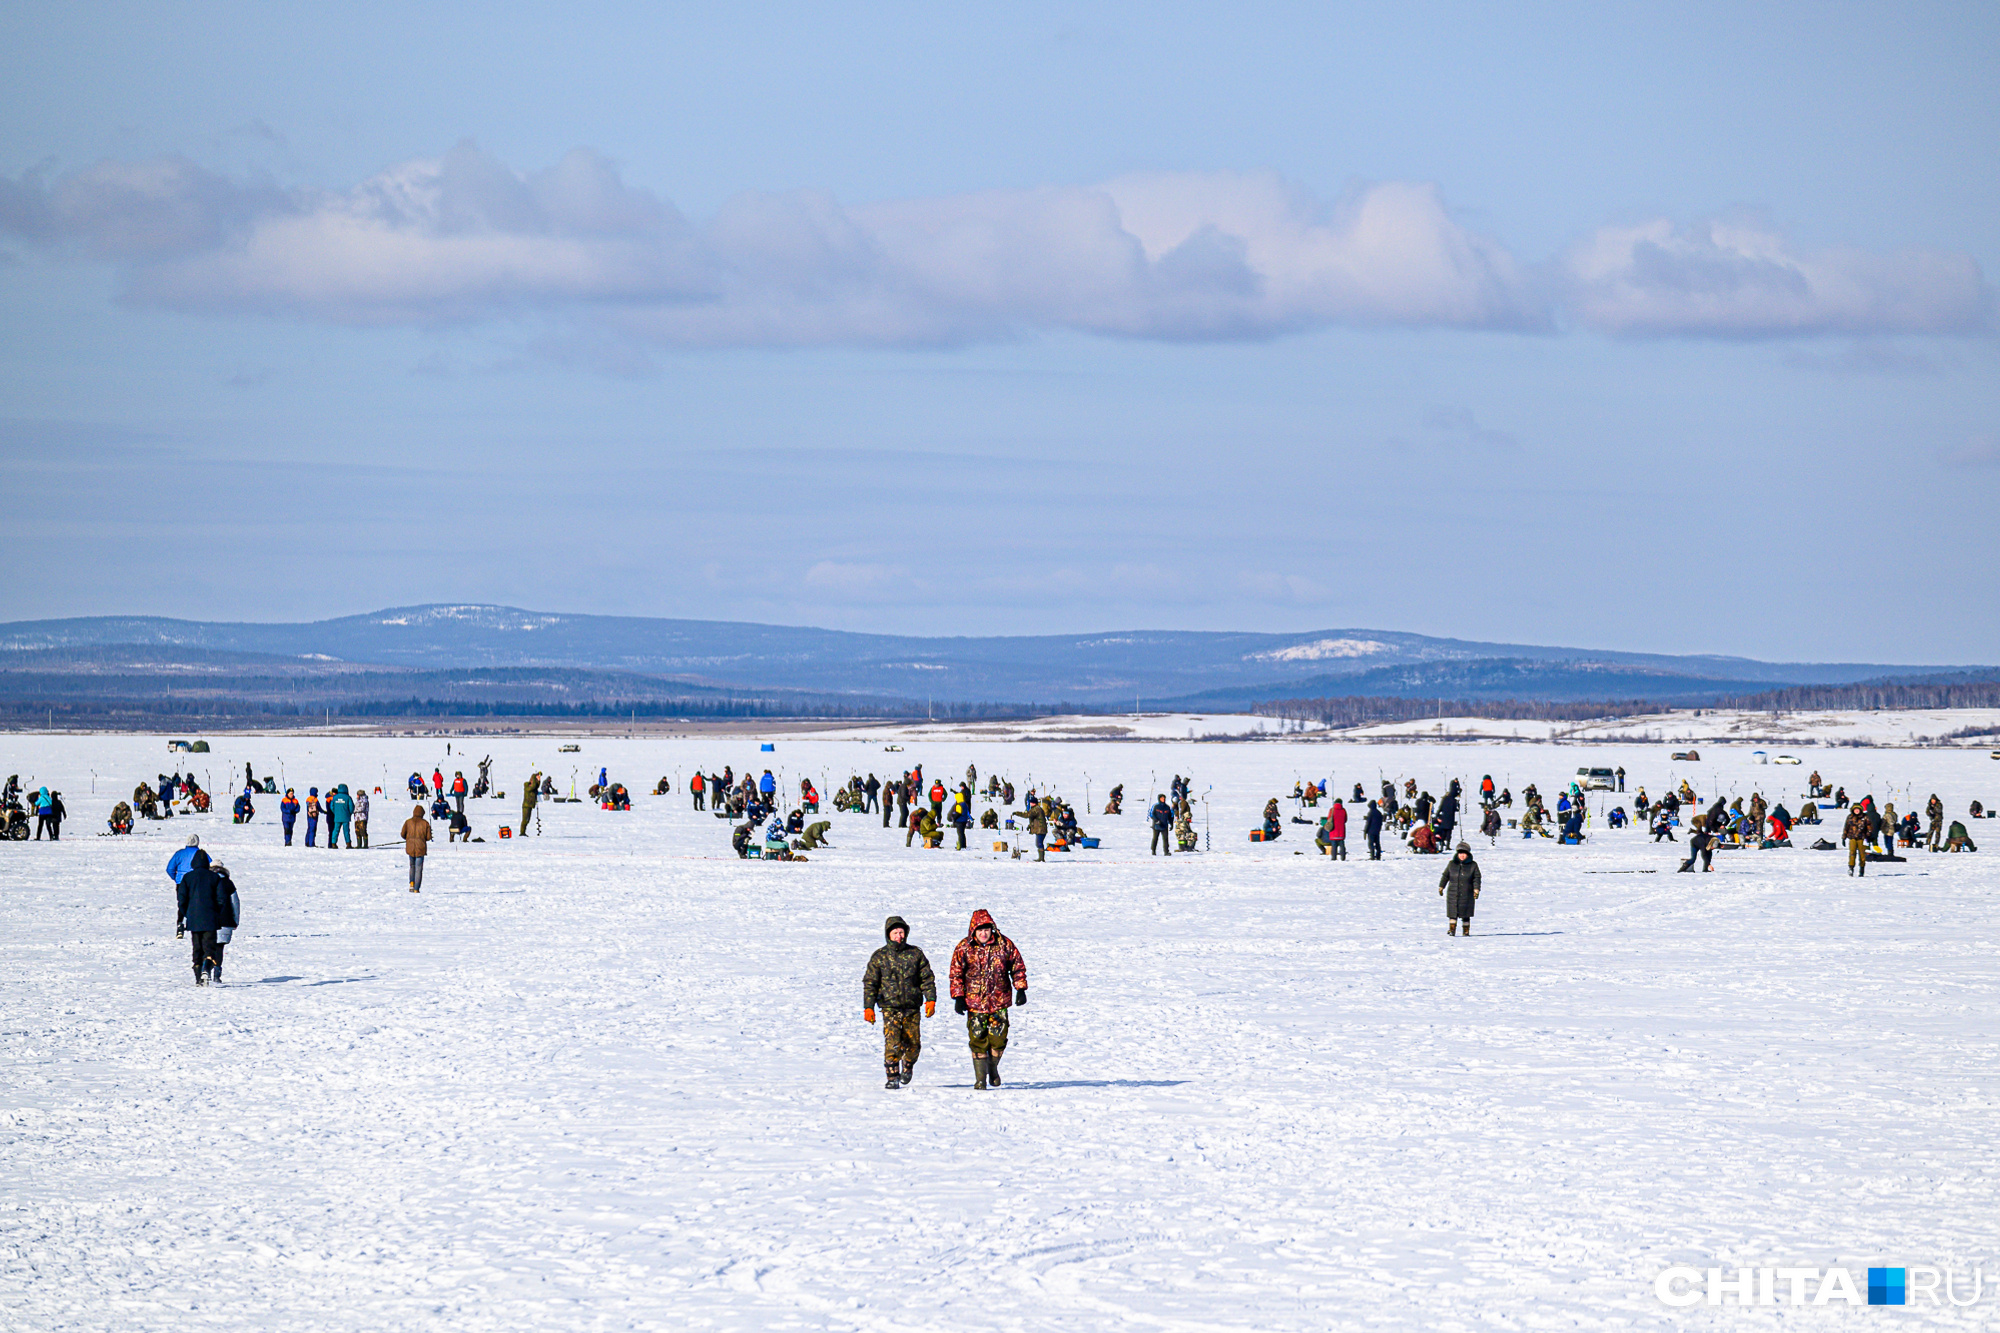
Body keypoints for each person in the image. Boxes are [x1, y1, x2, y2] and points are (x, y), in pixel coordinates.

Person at [949, 909, 1027, 1090]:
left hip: (999, 1001)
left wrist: (1020, 988)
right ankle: (980, 1079)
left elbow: (1017, 966)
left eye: (986, 929)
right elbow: (956, 973)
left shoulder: (1004, 944)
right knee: (977, 1039)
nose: (984, 933)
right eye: (980, 930)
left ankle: (992, 1067)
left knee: (999, 1040)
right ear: (973, 931)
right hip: (974, 1003)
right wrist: (958, 996)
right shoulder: (964, 947)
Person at [862, 915, 937, 1089]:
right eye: (895, 933)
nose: (899, 936)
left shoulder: (915, 954)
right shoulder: (879, 957)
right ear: (888, 934)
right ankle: (892, 1078)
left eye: (901, 932)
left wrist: (930, 999)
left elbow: (927, 978)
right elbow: (870, 983)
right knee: (892, 1043)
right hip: (889, 1008)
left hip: (912, 1008)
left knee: (913, 1045)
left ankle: (908, 1067)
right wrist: (868, 1007)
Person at [174, 846, 232, 985]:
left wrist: (186, 913)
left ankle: (199, 977)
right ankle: (207, 968)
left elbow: (181, 899)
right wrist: (216, 912)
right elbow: (222, 898)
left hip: (194, 919)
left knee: (197, 948)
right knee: (209, 947)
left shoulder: (187, 878)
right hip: (211, 919)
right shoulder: (214, 877)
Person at [1439, 842, 1480, 936]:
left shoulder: (1473, 865)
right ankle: (1452, 930)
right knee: (1452, 912)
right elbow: (1445, 876)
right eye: (1460, 853)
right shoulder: (1451, 864)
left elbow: (1476, 878)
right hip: (1453, 893)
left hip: (1467, 893)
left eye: (1464, 854)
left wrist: (1476, 889)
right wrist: (1441, 886)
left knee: (1466, 913)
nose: (1462, 856)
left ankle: (1466, 931)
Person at [402, 804, 432, 892]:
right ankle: (416, 888)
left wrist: (408, 838)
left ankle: (411, 883)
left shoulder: (408, 822)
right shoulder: (425, 823)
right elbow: (428, 837)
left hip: (410, 847)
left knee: (412, 866)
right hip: (420, 848)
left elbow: (402, 834)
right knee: (418, 868)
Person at [1843, 803, 1870, 877]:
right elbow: (1846, 827)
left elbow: (1869, 827)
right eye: (1855, 809)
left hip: (1862, 839)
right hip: (1852, 838)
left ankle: (1862, 869)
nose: (1857, 811)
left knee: (1862, 855)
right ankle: (1851, 868)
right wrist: (1844, 837)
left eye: (1858, 809)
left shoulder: (1865, 817)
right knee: (1852, 853)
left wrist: (1868, 836)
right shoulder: (1850, 817)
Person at [328, 783, 354, 849]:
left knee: (336, 830)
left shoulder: (335, 797)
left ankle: (333, 843)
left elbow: (332, 806)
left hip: (337, 817)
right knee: (346, 831)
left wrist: (335, 812)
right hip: (346, 817)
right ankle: (348, 844)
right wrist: (349, 813)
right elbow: (351, 807)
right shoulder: (348, 797)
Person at [521, 771, 541, 837]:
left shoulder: (533, 787)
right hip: (526, 806)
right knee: (525, 819)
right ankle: (522, 832)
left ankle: (524, 832)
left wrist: (538, 780)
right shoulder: (527, 786)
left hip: (530, 805)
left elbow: (536, 786)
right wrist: (535, 778)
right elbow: (533, 787)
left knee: (528, 820)